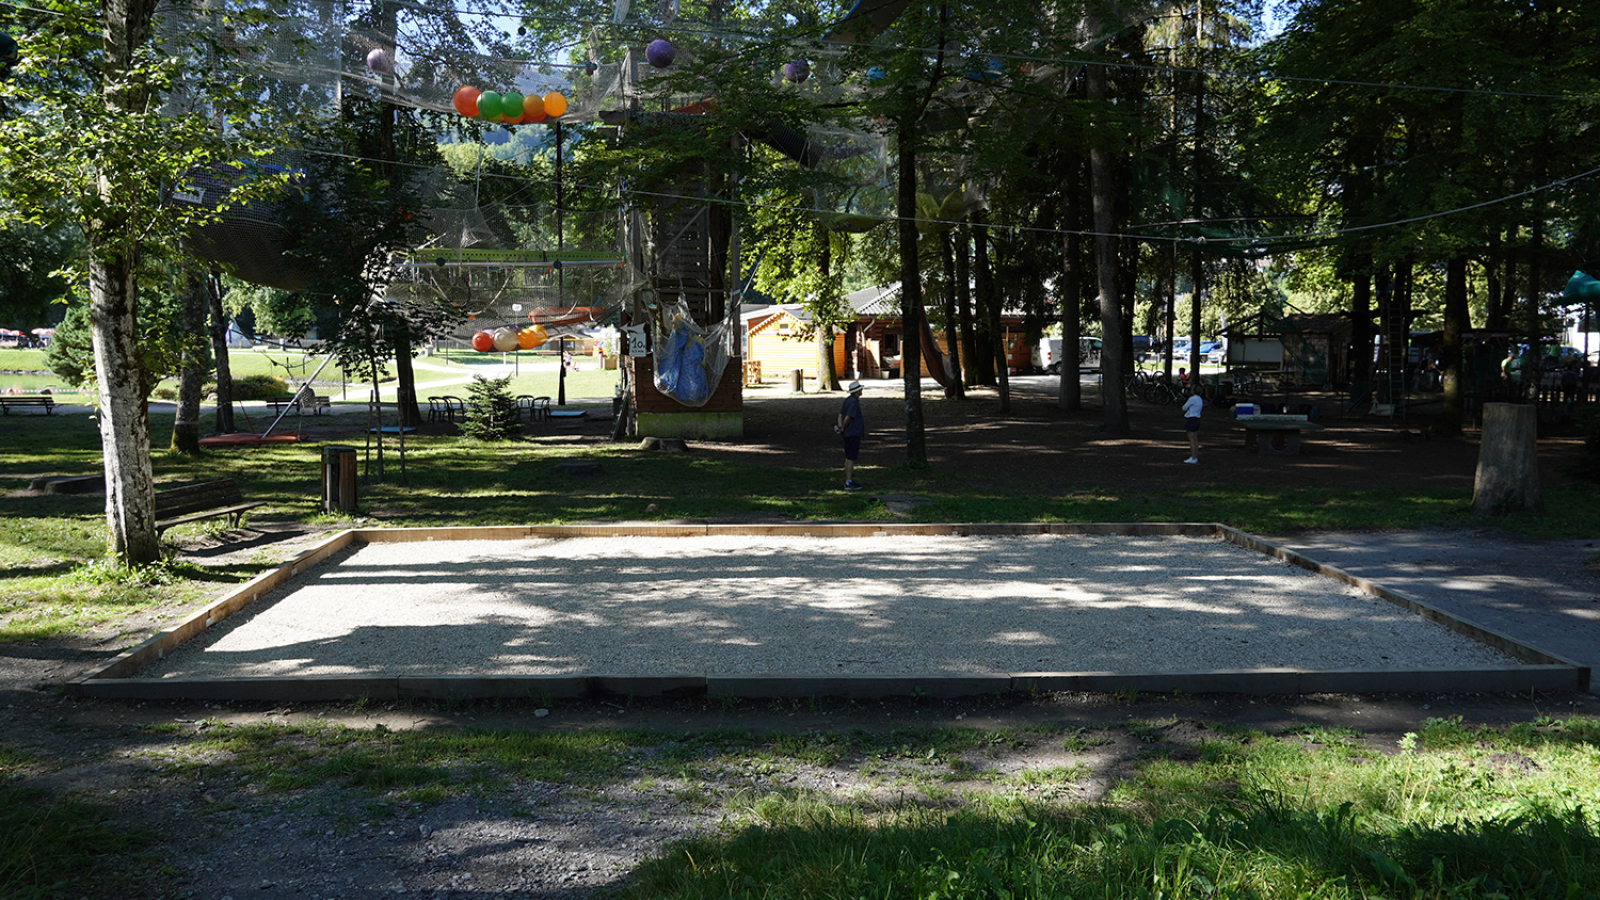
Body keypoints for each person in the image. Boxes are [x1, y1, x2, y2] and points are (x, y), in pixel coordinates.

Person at [834, 381, 866, 491]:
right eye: (860, 389)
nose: (861, 390)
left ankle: (848, 480)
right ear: (857, 391)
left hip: (847, 434)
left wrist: (840, 426)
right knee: (851, 457)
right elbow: (848, 417)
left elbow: (840, 415)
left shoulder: (848, 400)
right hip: (853, 433)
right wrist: (843, 426)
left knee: (848, 457)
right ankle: (848, 482)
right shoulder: (854, 403)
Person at [1181, 382, 1203, 464]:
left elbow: (1184, 407)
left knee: (1191, 440)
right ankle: (1195, 456)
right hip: (1197, 419)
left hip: (1191, 419)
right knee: (1195, 439)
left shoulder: (1192, 399)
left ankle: (1193, 457)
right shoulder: (1200, 399)